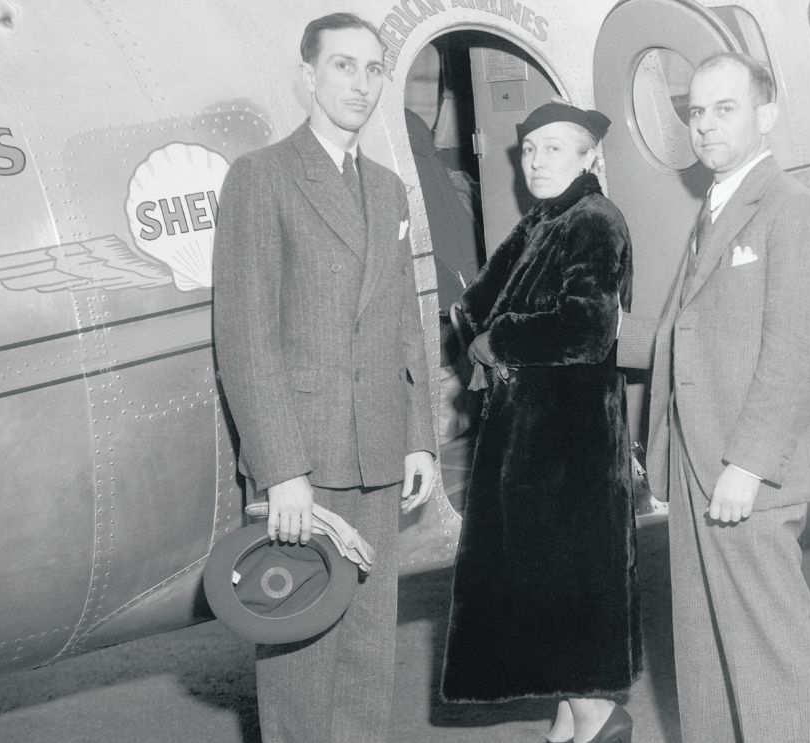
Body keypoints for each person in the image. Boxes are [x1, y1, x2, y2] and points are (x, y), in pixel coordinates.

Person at [211, 13, 436, 743]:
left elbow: (404, 320)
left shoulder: (387, 189)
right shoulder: (261, 177)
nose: (361, 85)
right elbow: (245, 339)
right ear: (307, 76)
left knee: (371, 657)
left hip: (376, 449)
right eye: (344, 66)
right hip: (305, 462)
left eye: (374, 69)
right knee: (302, 660)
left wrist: (419, 440)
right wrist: (281, 472)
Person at [619, 52, 810, 743]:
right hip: (695, 461)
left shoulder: (791, 209)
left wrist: (747, 463)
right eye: (695, 112)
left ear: (765, 114)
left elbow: (798, 352)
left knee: (767, 653)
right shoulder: (714, 208)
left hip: (745, 469)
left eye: (724, 109)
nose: (705, 126)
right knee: (706, 651)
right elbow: (689, 333)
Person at [440, 101, 640, 743]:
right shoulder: (541, 223)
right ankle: (569, 716)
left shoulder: (594, 221)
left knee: (563, 578)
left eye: (555, 148)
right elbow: (474, 306)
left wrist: (497, 343)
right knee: (538, 582)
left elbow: (587, 326)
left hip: (571, 440)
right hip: (526, 435)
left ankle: (599, 717)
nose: (537, 160)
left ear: (589, 157)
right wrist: (480, 334)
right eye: (530, 149)